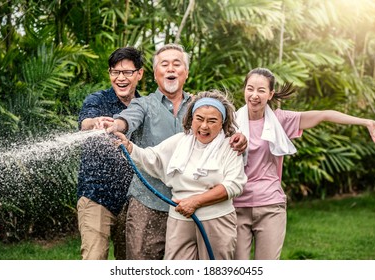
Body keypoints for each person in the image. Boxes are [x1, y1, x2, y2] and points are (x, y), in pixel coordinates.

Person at [105, 43, 247, 260]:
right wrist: (119, 126)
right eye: (164, 64)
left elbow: (229, 134)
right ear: (155, 74)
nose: (170, 69)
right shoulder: (142, 104)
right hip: (148, 202)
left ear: (186, 73)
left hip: (198, 209)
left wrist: (241, 139)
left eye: (176, 64)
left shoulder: (202, 106)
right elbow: (129, 119)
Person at [233, 67, 375, 260]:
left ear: (270, 94)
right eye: (250, 88)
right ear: (244, 90)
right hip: (237, 205)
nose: (254, 95)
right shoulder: (231, 121)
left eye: (261, 90)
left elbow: (324, 115)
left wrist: (365, 122)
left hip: (270, 206)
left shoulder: (280, 120)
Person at [76, 46, 144, 260]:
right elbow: (85, 122)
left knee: (129, 263)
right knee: (94, 259)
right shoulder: (97, 100)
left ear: (139, 74)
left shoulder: (146, 106)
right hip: (97, 197)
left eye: (127, 72)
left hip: (133, 200)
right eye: (115, 72)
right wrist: (94, 123)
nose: (120, 78)